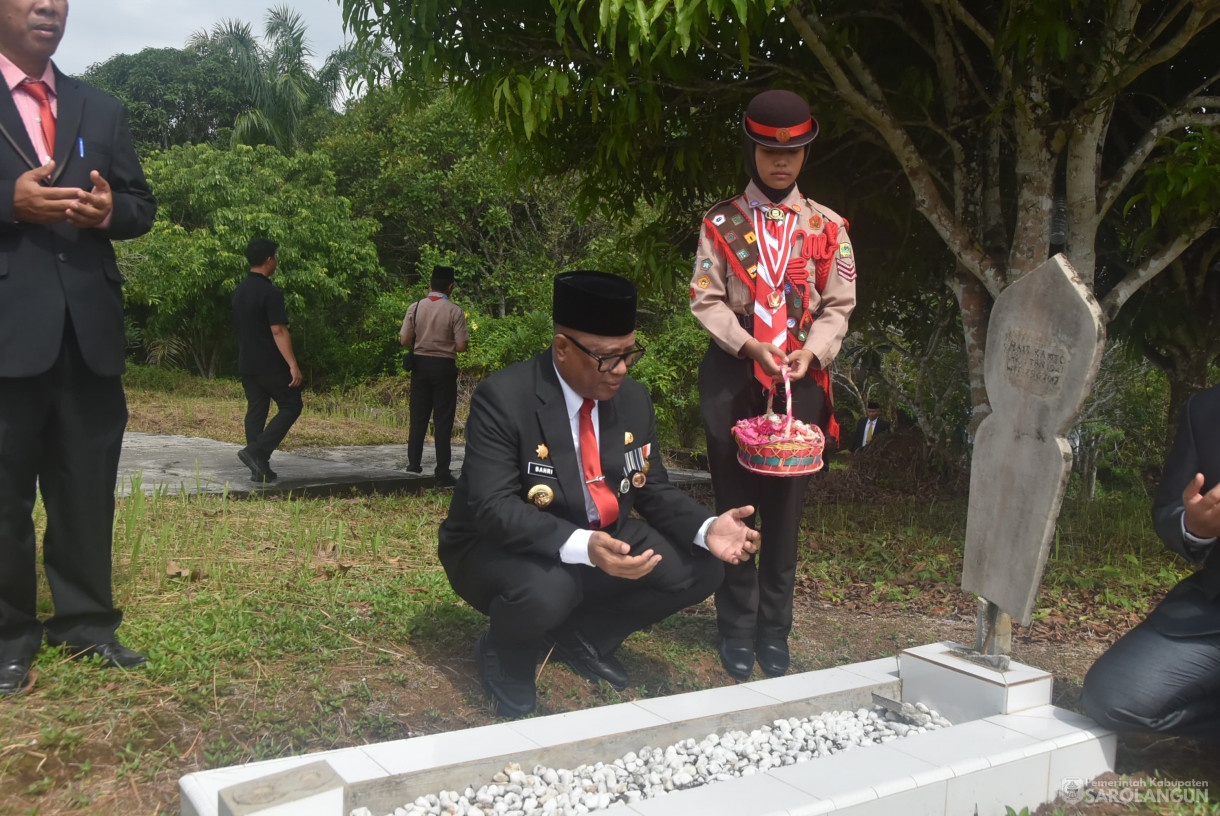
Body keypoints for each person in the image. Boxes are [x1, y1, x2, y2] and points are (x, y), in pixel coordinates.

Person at [439, 270, 761, 716]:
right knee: (548, 588)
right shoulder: (504, 398)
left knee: (702, 568)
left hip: (598, 533)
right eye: (608, 358)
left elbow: (652, 490)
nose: (622, 369)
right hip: (498, 545)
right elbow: (493, 509)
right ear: (563, 348)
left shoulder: (633, 400)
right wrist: (583, 546)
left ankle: (584, 635)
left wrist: (708, 529)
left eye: (629, 354)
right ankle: (504, 652)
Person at [0, 0, 157, 695]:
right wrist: (10, 201)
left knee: (86, 483)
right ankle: (9, 636)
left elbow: (140, 205)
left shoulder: (101, 107)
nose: (49, 5)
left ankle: (86, 623)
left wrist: (109, 212)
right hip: (7, 328)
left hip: (88, 332)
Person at [690, 89, 857, 682]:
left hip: (799, 379)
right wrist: (748, 343)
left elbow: (838, 306)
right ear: (752, 150)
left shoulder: (829, 228)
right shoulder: (721, 224)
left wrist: (811, 352)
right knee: (735, 501)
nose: (780, 162)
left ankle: (774, 630)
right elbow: (705, 300)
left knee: (785, 508)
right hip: (735, 374)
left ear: (806, 152)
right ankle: (735, 627)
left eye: (792, 153)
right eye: (767, 151)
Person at [1080, 385, 1220, 741]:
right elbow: (1171, 509)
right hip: (1212, 615)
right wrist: (1195, 527)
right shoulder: (1205, 409)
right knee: (1115, 697)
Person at [231, 237, 303, 482]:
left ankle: (258, 467)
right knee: (292, 405)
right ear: (269, 260)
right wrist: (293, 364)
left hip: (246, 361)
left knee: (257, 411)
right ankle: (256, 452)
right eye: (276, 257)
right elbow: (278, 330)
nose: (276, 262)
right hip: (269, 363)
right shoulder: (270, 292)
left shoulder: (239, 290)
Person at [401, 265, 469, 487]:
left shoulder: (416, 306)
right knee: (443, 420)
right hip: (444, 368)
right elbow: (461, 346)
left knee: (418, 416)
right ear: (451, 287)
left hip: (420, 366)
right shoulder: (455, 311)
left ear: (429, 285)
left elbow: (404, 340)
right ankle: (442, 473)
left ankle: (413, 465)